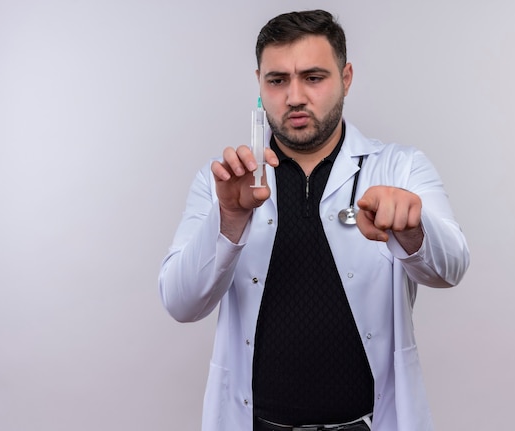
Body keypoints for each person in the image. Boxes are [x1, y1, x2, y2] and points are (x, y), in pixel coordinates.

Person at [159, 9, 469, 431]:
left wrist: (413, 230)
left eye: (314, 77)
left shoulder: (399, 168)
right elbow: (181, 303)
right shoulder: (224, 182)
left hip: (365, 424)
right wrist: (228, 219)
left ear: (346, 77)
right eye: (277, 80)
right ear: (259, 85)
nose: (294, 96)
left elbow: (450, 269)